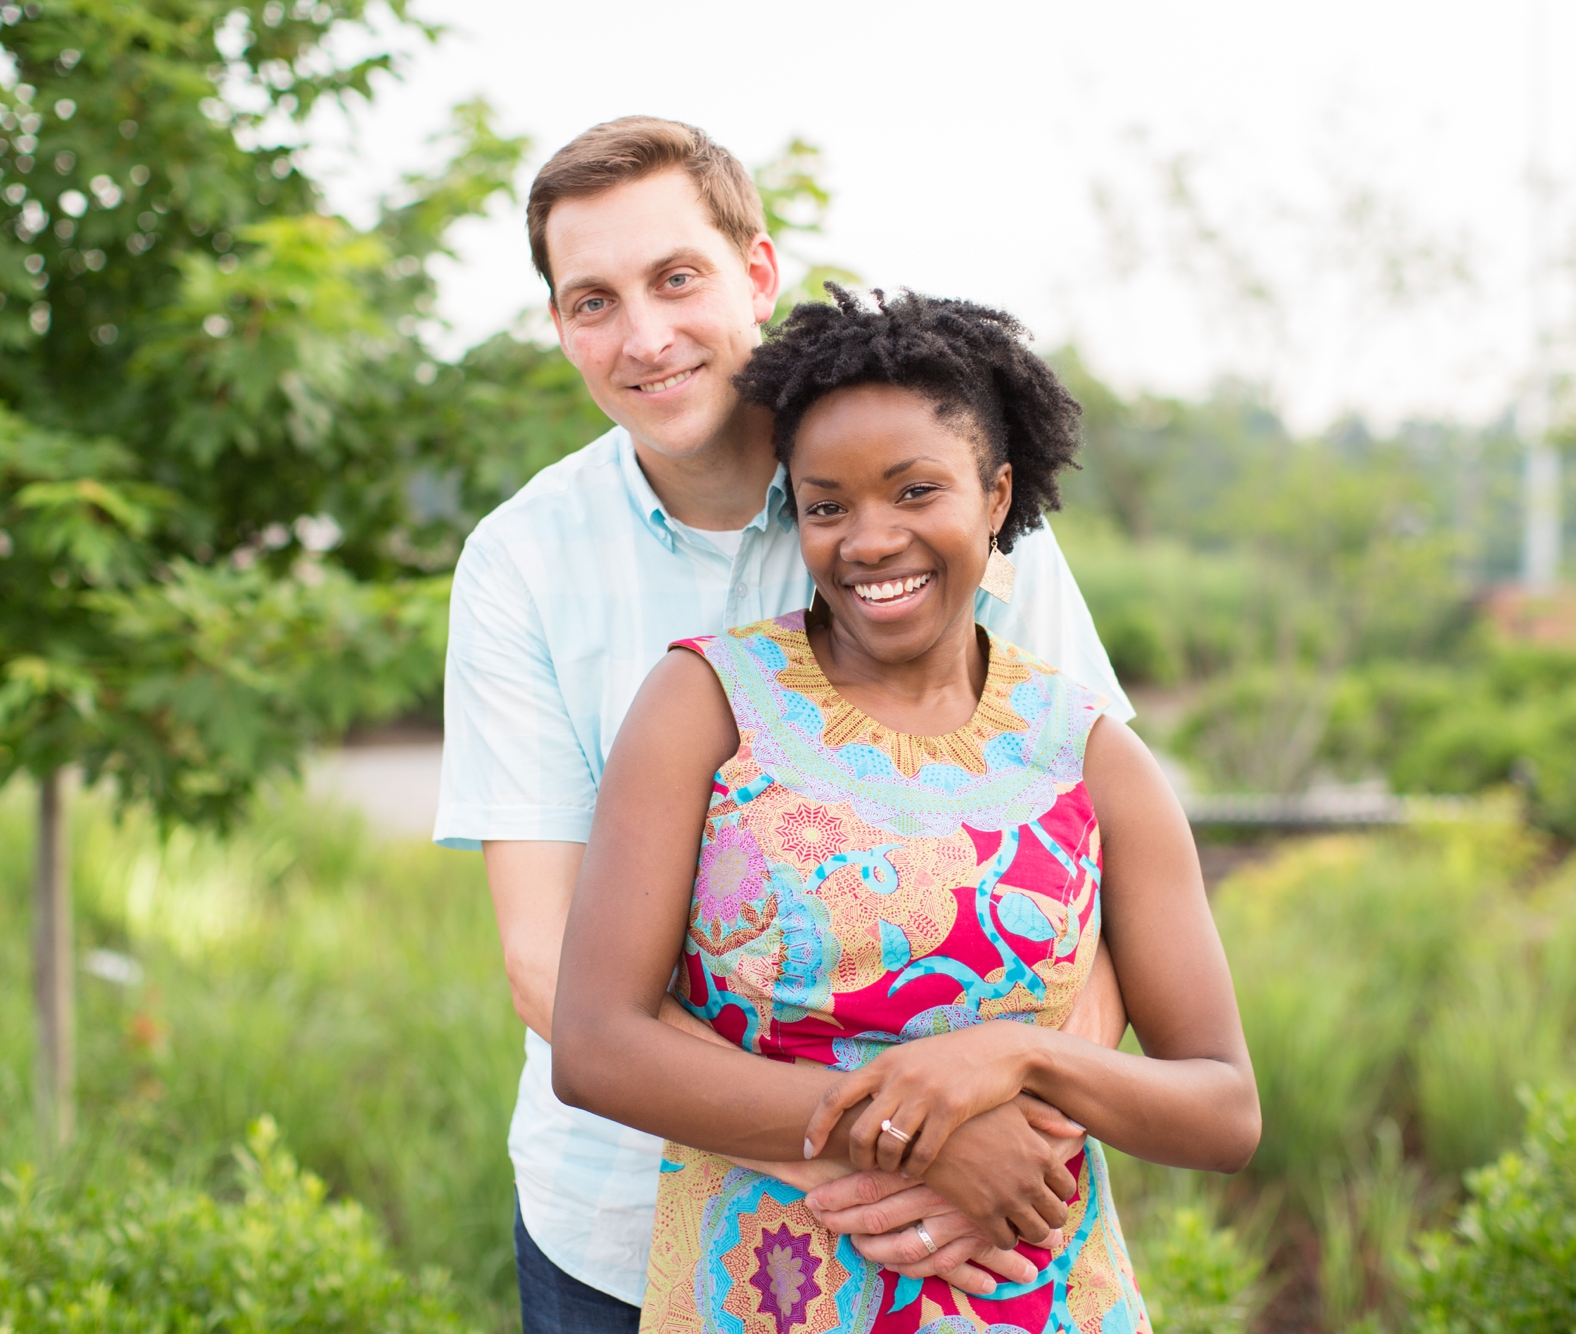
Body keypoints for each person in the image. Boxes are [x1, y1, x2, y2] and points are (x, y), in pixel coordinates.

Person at [435, 117, 1139, 1333]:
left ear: (755, 271)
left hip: (982, 1229)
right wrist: (879, 1153)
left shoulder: (937, 506)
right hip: (623, 1225)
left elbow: (1110, 870)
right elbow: (546, 962)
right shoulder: (519, 564)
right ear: (557, 325)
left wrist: (1021, 1123)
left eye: (675, 278)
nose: (643, 336)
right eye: (591, 299)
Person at [551, 287, 1259, 1333]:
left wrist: (1017, 1056)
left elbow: (1222, 1107)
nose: (868, 539)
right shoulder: (708, 703)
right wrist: (916, 1137)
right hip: (765, 1296)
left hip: (1037, 1303)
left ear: (995, 492)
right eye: (827, 505)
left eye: (915, 490)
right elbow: (594, 1041)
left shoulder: (1089, 754)